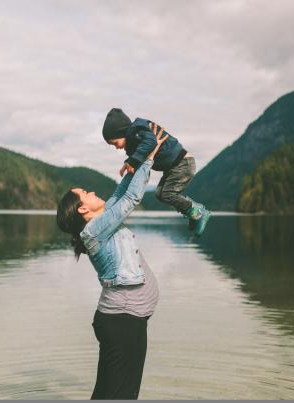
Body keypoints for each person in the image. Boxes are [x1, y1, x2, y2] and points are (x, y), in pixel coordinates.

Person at [56, 127, 168, 400]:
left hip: (124, 321)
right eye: (86, 192)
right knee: (121, 394)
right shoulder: (93, 231)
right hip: (123, 322)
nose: (92, 191)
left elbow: (119, 195)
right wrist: (149, 160)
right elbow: (130, 199)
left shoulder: (99, 223)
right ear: (83, 209)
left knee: (110, 392)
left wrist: (135, 162)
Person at [102, 107, 211, 236]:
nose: (116, 147)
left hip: (182, 163)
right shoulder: (133, 141)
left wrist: (133, 161)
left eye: (115, 143)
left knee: (166, 194)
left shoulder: (137, 128)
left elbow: (151, 142)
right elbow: (139, 154)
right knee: (159, 194)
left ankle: (197, 212)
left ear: (123, 132)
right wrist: (129, 162)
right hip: (173, 167)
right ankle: (192, 212)